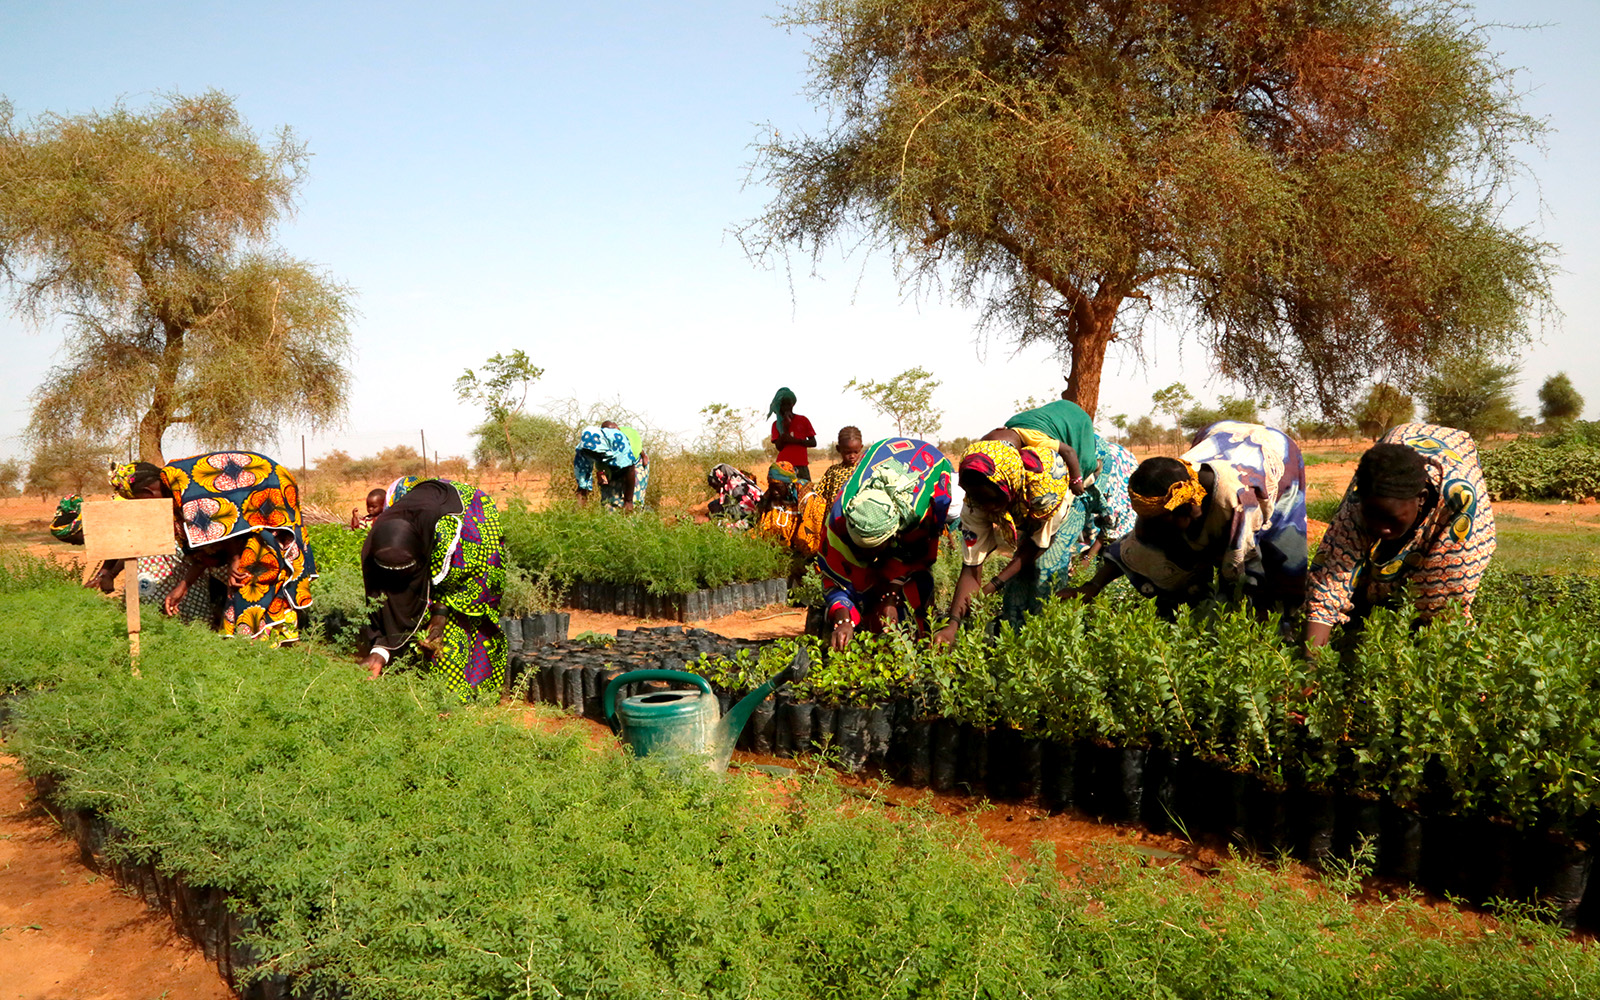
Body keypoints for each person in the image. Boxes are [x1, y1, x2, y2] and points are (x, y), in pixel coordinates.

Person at [1068, 421, 1308, 613]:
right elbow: (1137, 546)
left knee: (1282, 567)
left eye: (1157, 525)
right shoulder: (1168, 488)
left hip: (1276, 453)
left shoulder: (1237, 503)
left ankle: (1287, 630)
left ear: (1178, 515)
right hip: (1219, 434)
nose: (1152, 531)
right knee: (1181, 561)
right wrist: (1091, 587)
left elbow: (1242, 570)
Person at [1305, 424, 1496, 648]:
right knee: (1352, 582)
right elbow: (1329, 580)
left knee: (1433, 600)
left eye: (1391, 520)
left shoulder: (1460, 500)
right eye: (1371, 516)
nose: (1381, 529)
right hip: (1396, 443)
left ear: (1421, 498)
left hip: (1456, 462)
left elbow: (1442, 606)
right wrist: (1311, 663)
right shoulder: (1363, 494)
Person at [100, 453, 316, 644]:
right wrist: (183, 587)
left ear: (147, 493)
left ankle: (255, 653)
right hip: (255, 526)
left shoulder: (181, 484)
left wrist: (235, 559)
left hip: (270, 503)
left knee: (248, 589)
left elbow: (228, 522)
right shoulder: (174, 498)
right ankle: (262, 652)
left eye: (140, 502)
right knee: (246, 588)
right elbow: (207, 549)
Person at [358, 477, 507, 701]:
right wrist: (380, 649)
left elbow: (449, 583)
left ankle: (475, 692)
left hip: (473, 532)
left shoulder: (450, 535)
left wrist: (439, 614)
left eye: (407, 571)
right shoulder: (373, 548)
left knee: (461, 622)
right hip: (424, 517)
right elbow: (382, 597)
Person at [815, 438, 952, 650]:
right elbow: (833, 577)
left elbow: (915, 560)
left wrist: (891, 596)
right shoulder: (839, 520)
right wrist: (843, 619)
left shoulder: (915, 517)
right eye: (859, 549)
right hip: (885, 453)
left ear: (892, 537)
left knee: (915, 586)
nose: (864, 557)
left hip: (929, 464)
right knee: (860, 579)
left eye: (871, 550)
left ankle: (924, 639)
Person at [574, 421, 649, 511]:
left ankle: (632, 514)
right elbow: (583, 482)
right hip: (611, 466)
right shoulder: (585, 450)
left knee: (632, 502)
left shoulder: (620, 443)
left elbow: (630, 469)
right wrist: (578, 511)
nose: (595, 456)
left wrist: (628, 501)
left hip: (634, 464)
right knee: (608, 503)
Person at [756, 461, 822, 561]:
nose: (774, 492)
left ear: (789, 485)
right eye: (771, 487)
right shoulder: (771, 496)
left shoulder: (808, 499)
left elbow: (811, 533)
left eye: (778, 487)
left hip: (801, 554)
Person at [768, 388, 817, 482]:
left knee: (805, 490)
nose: (786, 407)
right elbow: (779, 447)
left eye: (788, 404)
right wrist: (785, 428)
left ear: (792, 404)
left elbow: (813, 442)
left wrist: (795, 441)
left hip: (801, 465)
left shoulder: (803, 420)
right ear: (779, 406)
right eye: (783, 405)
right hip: (783, 467)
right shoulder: (776, 425)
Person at [706, 463, 761, 531]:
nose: (716, 489)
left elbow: (745, 511)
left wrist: (724, 514)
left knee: (724, 528)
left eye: (715, 486)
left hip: (754, 519)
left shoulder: (737, 489)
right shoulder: (738, 484)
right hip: (751, 515)